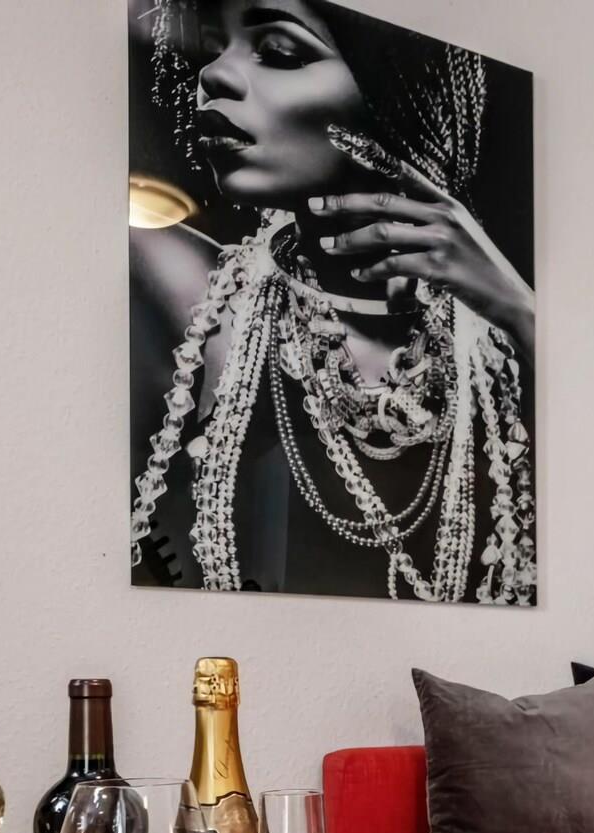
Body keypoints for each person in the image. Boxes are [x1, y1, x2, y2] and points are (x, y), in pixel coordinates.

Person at [129, 0, 535, 603]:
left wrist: (517, 307)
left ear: (402, 102)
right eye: (213, 49)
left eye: (279, 53)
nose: (213, 73)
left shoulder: (499, 354)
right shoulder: (177, 290)